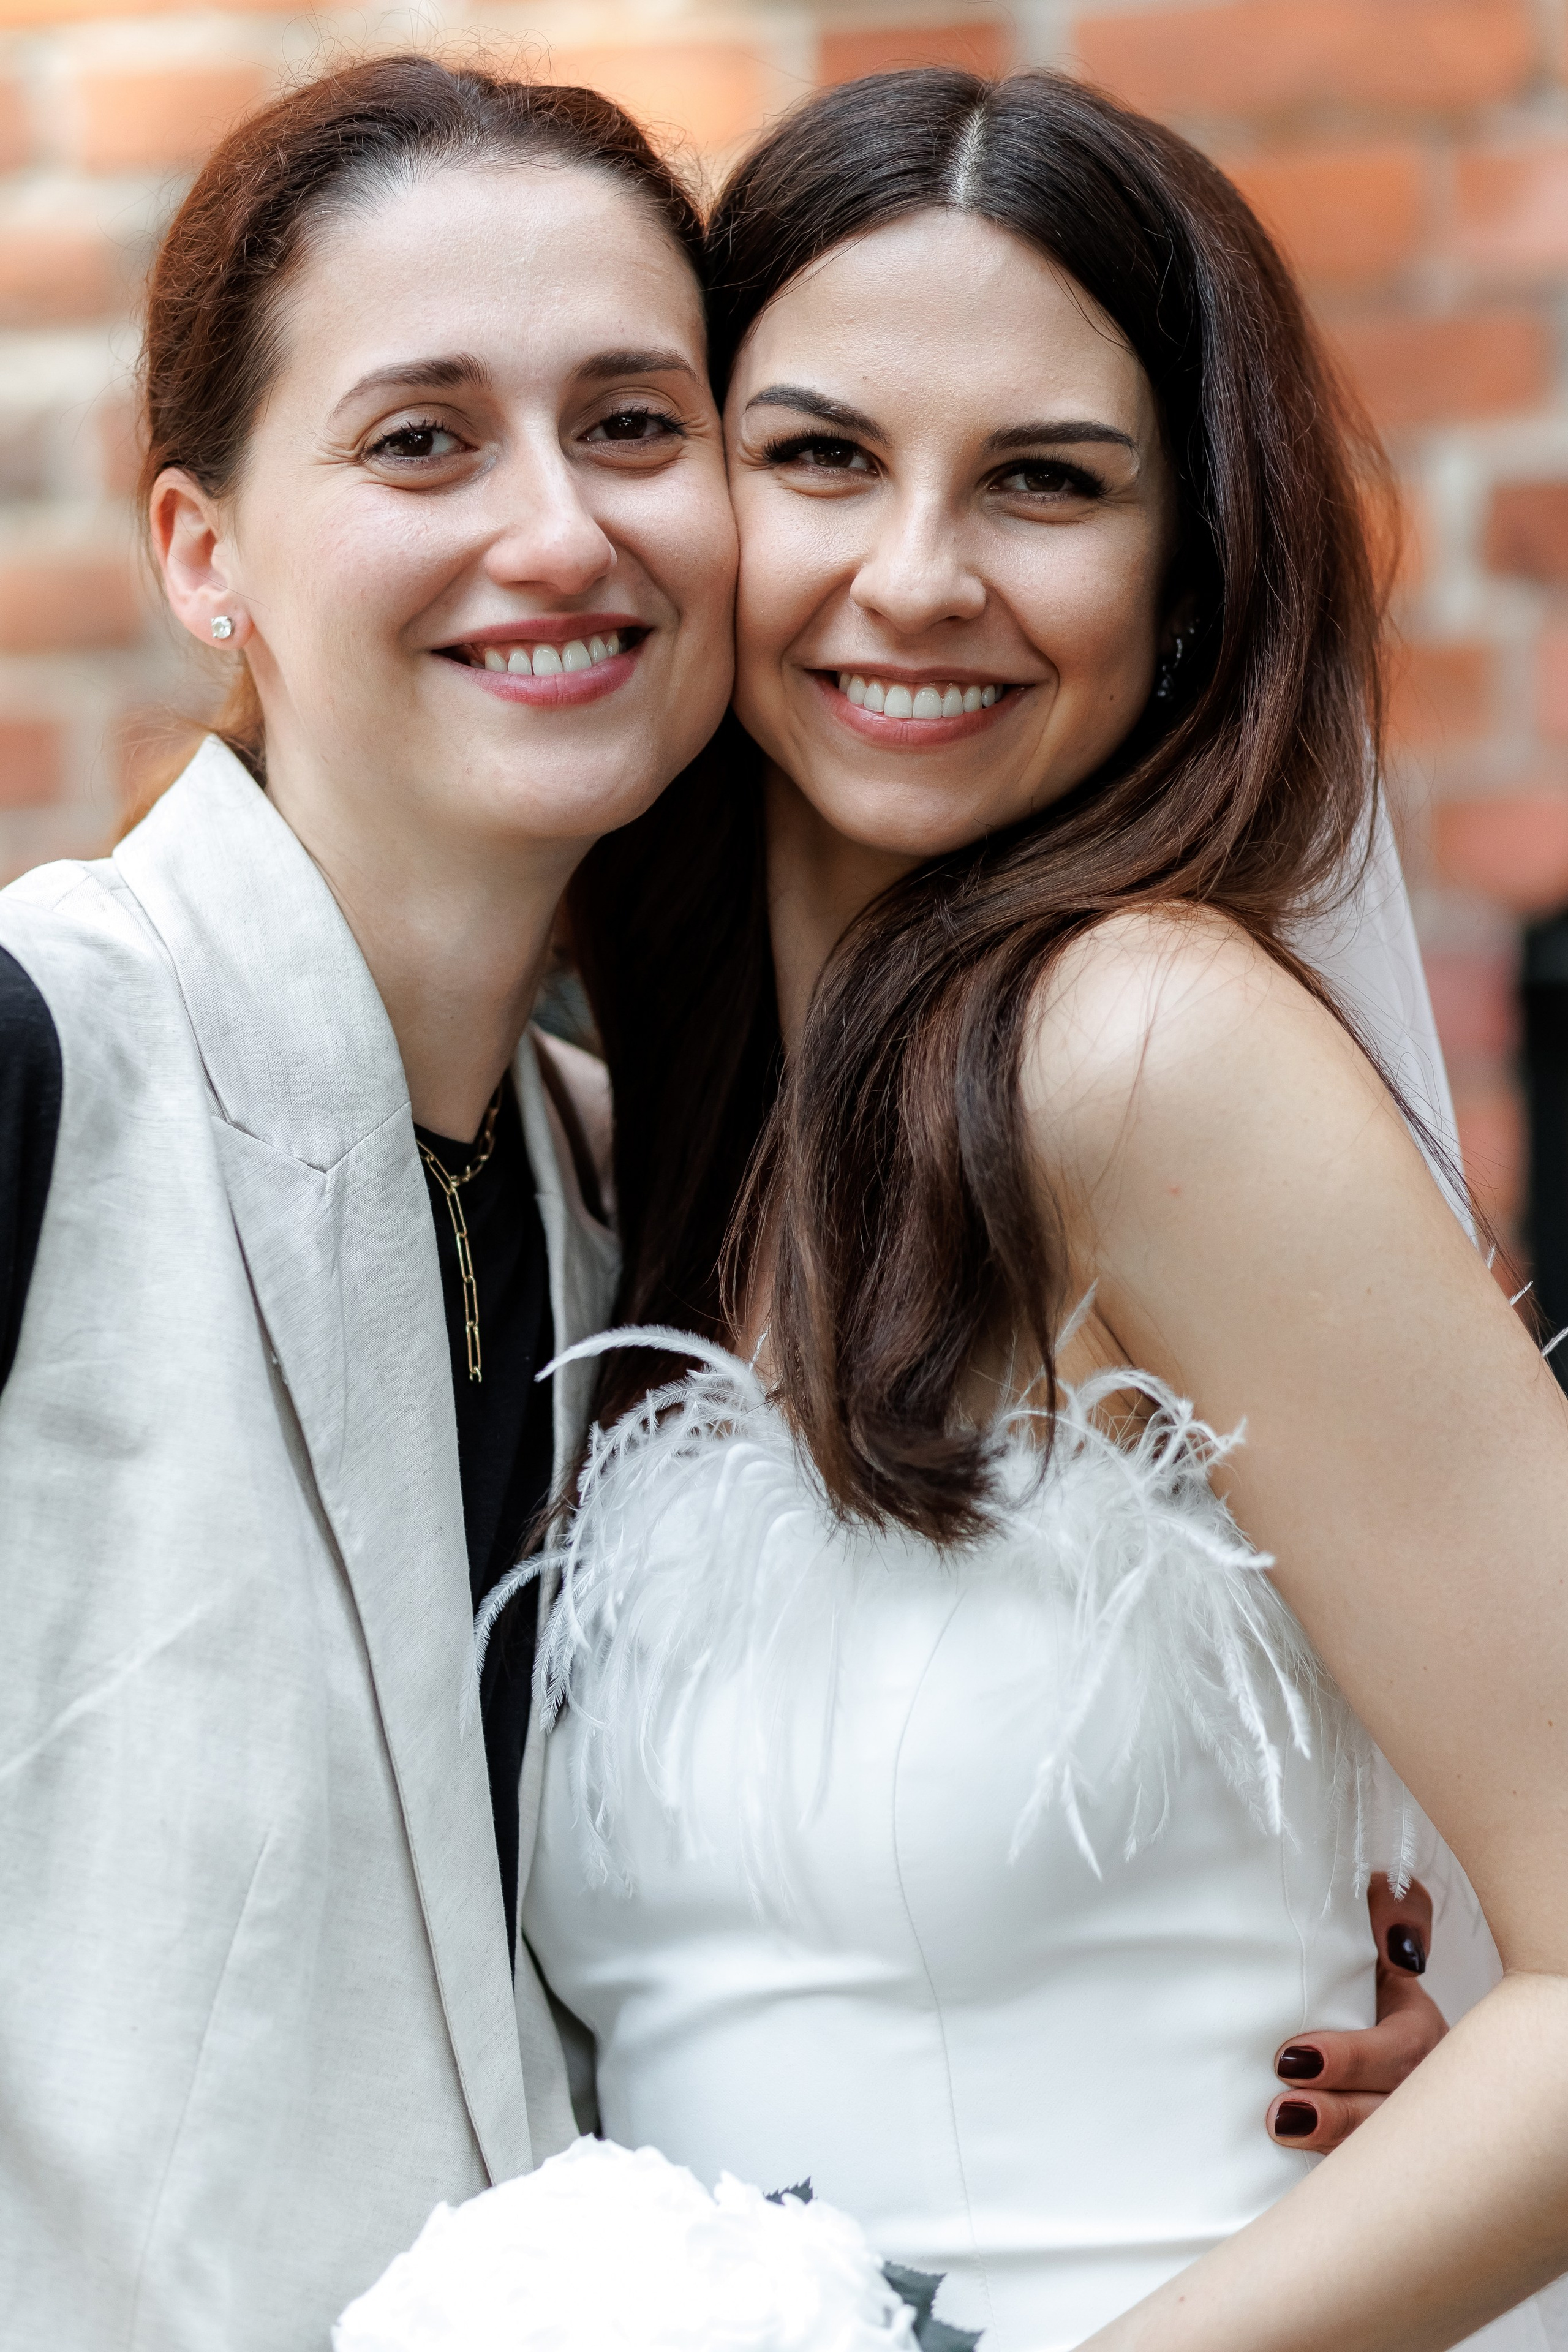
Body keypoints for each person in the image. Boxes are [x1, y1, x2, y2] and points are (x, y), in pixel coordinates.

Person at [521, 69, 1568, 2352]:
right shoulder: (661, 1157)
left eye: (1048, 483)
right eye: (819, 455)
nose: (917, 573)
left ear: (1189, 573)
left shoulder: (1136, 1052)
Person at [0, 56, 735, 2350]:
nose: (560, 530)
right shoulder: (37, 1064)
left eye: (633, 422)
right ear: (203, 551)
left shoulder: (646, 1197)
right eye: (423, 439)